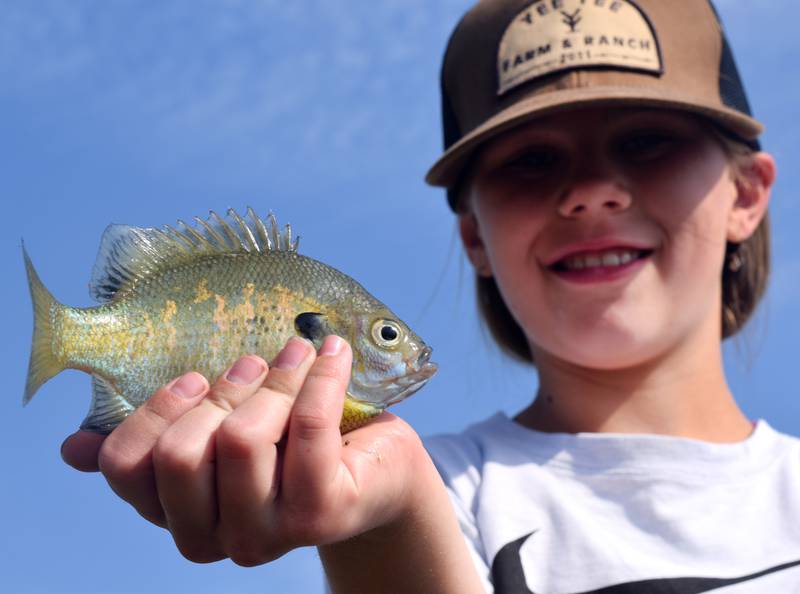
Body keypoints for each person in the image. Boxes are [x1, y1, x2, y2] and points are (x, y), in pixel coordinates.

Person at [61, 0, 800, 591]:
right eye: (533, 160)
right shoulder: (427, 487)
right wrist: (390, 520)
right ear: (473, 235)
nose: (591, 193)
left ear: (747, 192)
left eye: (647, 142)